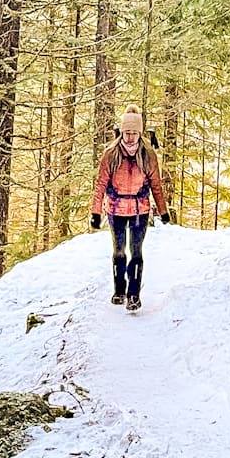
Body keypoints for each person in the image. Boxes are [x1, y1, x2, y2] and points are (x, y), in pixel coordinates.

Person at [90, 105, 170, 310]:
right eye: (127, 133)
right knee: (119, 251)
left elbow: (156, 185)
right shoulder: (111, 154)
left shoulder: (148, 155)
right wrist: (95, 212)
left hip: (140, 210)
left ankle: (134, 295)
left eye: (134, 133)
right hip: (116, 209)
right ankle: (119, 290)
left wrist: (163, 211)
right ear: (122, 132)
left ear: (140, 133)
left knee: (136, 252)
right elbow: (100, 184)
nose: (130, 137)